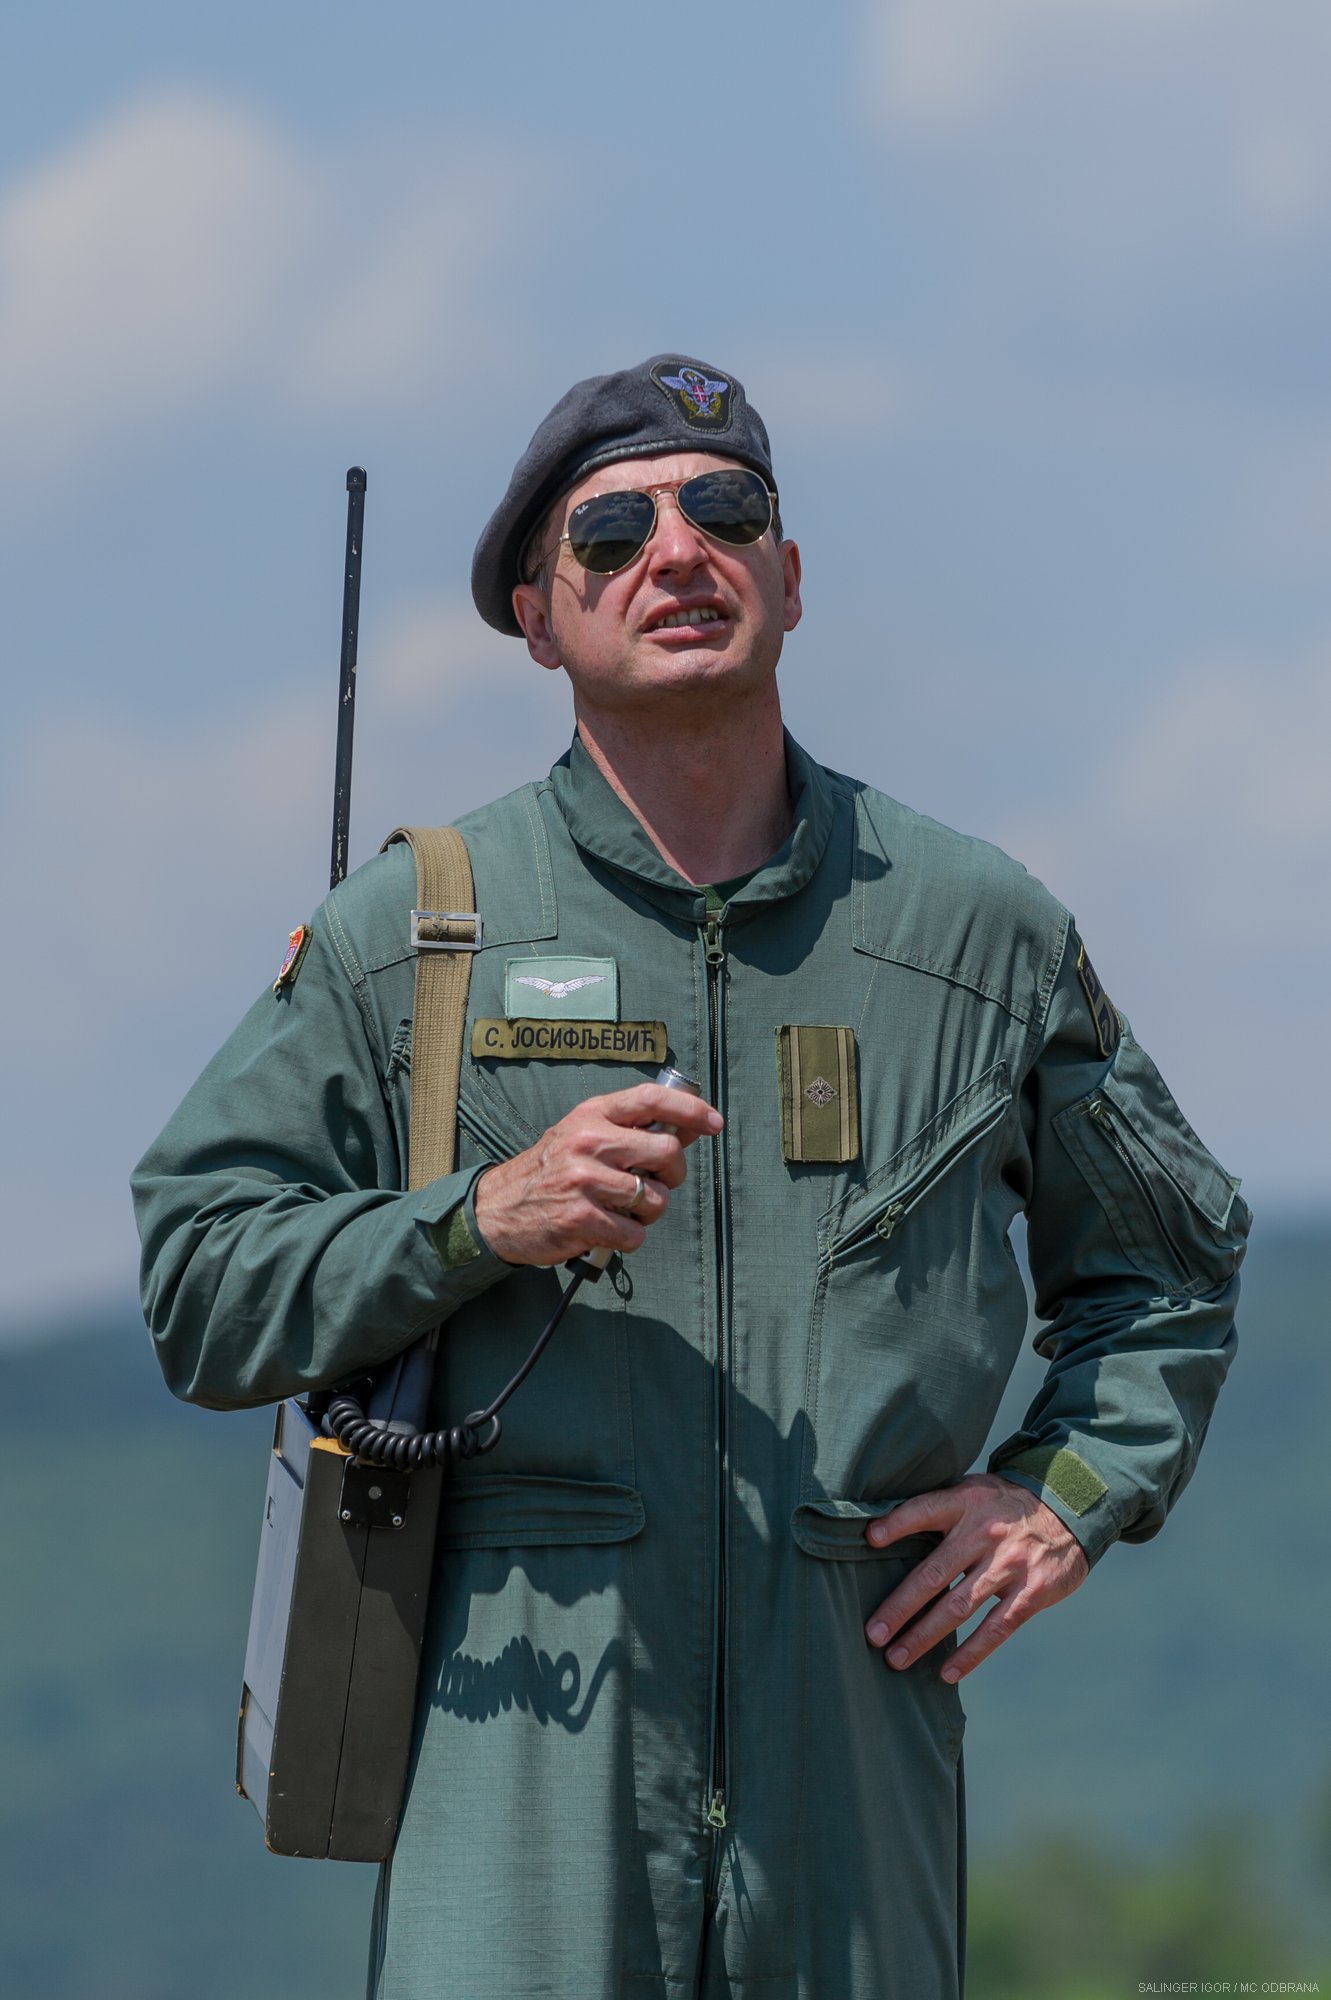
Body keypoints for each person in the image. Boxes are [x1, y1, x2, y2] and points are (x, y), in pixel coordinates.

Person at [132, 354, 1249, 2000]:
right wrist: (479, 1219)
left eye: (725, 511)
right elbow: (198, 1280)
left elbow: (1167, 1269)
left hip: (855, 1735)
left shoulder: (975, 931)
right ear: (538, 616)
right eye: (612, 532)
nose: (678, 551)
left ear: (787, 575)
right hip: (518, 1738)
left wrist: (1064, 1495)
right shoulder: (418, 936)